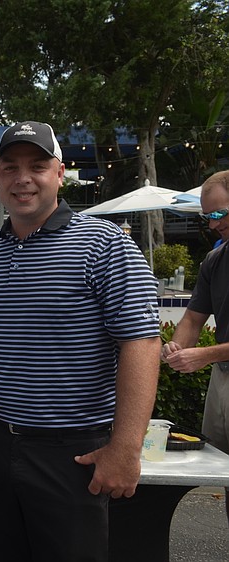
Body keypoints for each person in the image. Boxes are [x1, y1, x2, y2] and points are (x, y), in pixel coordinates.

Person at [0, 121, 161, 561]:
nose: (23, 178)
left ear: (60, 172)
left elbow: (142, 344)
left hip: (71, 451)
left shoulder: (105, 244)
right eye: (10, 167)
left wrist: (126, 449)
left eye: (37, 165)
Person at [162, 169, 229, 526]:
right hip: (222, 380)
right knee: (226, 478)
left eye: (220, 213)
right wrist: (175, 348)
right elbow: (192, 319)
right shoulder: (214, 261)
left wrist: (205, 354)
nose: (213, 224)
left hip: (218, 366)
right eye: (207, 216)